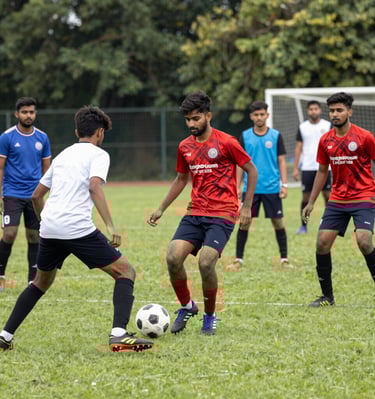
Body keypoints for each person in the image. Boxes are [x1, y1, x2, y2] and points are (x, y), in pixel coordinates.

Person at [0, 105, 153, 352]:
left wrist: (43, 222)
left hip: (49, 228)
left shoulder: (62, 156)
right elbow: (94, 187)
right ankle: (119, 335)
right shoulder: (99, 155)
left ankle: (5, 335)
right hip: (77, 229)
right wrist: (111, 225)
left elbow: (37, 196)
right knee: (126, 272)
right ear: (100, 133)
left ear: (76, 131)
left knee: (39, 283)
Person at [147, 91, 257, 336]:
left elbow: (251, 169)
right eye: (187, 119)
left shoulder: (226, 142)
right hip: (195, 212)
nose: (191, 124)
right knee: (173, 257)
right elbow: (180, 179)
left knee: (206, 262)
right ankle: (187, 307)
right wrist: (161, 208)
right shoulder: (184, 146)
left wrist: (247, 206)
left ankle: (210, 316)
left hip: (223, 213)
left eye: (196, 118)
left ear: (208, 115)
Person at [302, 92, 375, 307]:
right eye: (332, 111)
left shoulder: (365, 137)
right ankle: (327, 297)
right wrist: (312, 201)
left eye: (339, 110)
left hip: (363, 197)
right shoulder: (326, 140)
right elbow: (322, 171)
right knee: (322, 243)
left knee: (363, 240)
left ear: (349, 112)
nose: (335, 114)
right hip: (337, 200)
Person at [227, 101, 290, 271]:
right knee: (244, 222)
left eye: (262, 114)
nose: (259, 117)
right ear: (251, 116)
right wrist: (238, 186)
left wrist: (284, 184)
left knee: (278, 222)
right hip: (250, 190)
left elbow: (281, 161)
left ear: (267, 115)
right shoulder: (245, 136)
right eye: (256, 115)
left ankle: (284, 259)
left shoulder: (276, 136)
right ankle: (238, 259)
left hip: (271, 188)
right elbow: (240, 163)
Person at [0, 97, 51, 290]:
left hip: (35, 195)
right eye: (24, 112)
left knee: (34, 236)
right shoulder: (7, 137)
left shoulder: (42, 138)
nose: (28, 115)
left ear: (35, 114)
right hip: (12, 193)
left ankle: (32, 279)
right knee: (10, 234)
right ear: (17, 114)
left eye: (31, 112)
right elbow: (1, 168)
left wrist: (47, 194)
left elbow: (47, 168)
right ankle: (0, 273)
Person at [293, 101, 331, 234]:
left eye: (315, 109)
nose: (313, 111)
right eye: (311, 109)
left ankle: (329, 224)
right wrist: (296, 168)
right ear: (308, 111)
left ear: (320, 110)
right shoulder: (303, 127)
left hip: (326, 167)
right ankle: (304, 226)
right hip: (308, 166)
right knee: (306, 198)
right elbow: (298, 148)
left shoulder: (327, 125)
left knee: (328, 196)